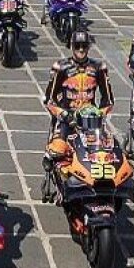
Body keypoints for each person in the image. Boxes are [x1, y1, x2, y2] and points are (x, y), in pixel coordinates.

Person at [43, 30, 113, 169]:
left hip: (91, 120)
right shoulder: (60, 67)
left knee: (107, 153)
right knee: (55, 152)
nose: (81, 49)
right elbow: (49, 99)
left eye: (84, 46)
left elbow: (108, 99)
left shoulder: (99, 67)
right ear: (71, 46)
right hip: (67, 119)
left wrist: (100, 114)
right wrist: (63, 115)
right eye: (77, 46)